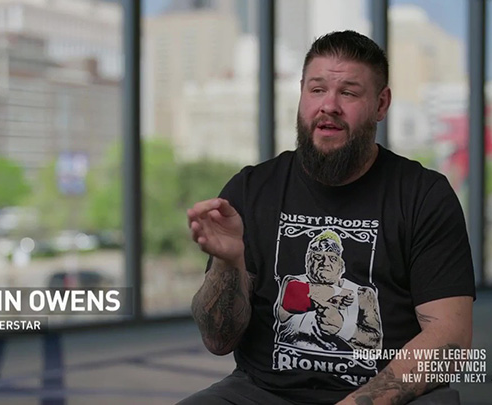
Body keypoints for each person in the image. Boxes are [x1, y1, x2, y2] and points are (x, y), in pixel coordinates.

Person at [181, 30, 475, 405]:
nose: (329, 105)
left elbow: (450, 340)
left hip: (389, 396)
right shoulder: (251, 190)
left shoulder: (423, 196)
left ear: (381, 104)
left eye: (348, 93)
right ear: (302, 94)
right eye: (317, 89)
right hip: (263, 391)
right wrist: (228, 263)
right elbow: (217, 341)